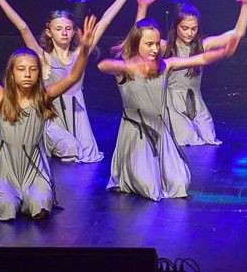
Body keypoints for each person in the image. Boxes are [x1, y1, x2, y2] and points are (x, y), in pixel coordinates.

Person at [0, 0, 143, 162]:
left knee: (85, 153)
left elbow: (105, 20)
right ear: (49, 32)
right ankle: (46, 141)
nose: (64, 33)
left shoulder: (80, 54)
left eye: (68, 29)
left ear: (73, 32)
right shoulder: (43, 57)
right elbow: (23, 27)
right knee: (70, 148)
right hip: (51, 117)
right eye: (58, 29)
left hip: (77, 116)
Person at [0, 10, 98, 220]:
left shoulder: (43, 97)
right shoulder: (0, 97)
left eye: (33, 70)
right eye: (21, 69)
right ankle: (8, 195)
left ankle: (33, 194)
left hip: (34, 167)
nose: (27, 74)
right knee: (6, 208)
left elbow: (73, 77)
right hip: (6, 167)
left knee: (39, 206)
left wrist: (84, 49)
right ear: (12, 73)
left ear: (39, 73)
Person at [98, 19, 238, 201]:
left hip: (160, 130)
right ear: (136, 43)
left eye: (157, 44)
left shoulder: (165, 65)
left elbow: (201, 58)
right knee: (149, 187)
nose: (155, 49)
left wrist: (223, 52)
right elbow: (103, 66)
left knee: (180, 184)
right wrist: (127, 66)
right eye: (149, 44)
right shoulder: (125, 69)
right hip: (136, 133)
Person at [156, 0, 247, 145]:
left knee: (207, 137)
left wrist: (245, 6)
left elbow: (237, 33)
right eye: (184, 28)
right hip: (170, 101)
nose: (189, 33)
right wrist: (142, 7)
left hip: (194, 100)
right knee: (184, 137)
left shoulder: (204, 45)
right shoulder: (165, 46)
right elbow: (140, 34)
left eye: (193, 29)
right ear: (176, 27)